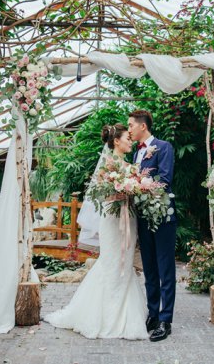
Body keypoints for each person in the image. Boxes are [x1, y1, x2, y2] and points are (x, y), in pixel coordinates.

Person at [44, 124, 149, 340]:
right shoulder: (107, 166)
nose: (131, 141)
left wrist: (133, 189)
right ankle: (103, 316)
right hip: (112, 221)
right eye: (127, 138)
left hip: (129, 219)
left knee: (125, 263)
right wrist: (119, 191)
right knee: (111, 262)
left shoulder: (130, 167)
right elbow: (99, 196)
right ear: (116, 141)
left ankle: (124, 313)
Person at [128, 110, 176, 342]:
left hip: (162, 217)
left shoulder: (163, 147)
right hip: (143, 218)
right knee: (149, 268)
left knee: (165, 269)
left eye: (131, 125)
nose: (129, 129)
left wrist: (140, 186)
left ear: (143, 126)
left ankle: (166, 320)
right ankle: (153, 314)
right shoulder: (135, 154)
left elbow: (165, 181)